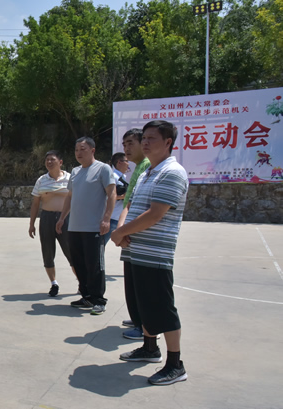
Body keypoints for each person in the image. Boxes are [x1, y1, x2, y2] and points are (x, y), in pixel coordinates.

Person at [111, 120, 189, 386]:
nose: (145, 142)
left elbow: (155, 214)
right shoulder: (147, 172)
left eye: (151, 138)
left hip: (155, 252)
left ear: (168, 142)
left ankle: (175, 364)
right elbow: (133, 206)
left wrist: (120, 232)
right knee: (144, 304)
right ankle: (149, 347)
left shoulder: (172, 172)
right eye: (143, 137)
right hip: (137, 250)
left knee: (162, 308)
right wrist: (123, 233)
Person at [56, 137, 115, 315]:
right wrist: (62, 218)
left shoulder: (103, 169)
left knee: (94, 265)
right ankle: (86, 296)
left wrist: (106, 218)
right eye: (76, 150)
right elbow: (70, 196)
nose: (79, 153)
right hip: (75, 227)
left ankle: (99, 300)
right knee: (79, 264)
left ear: (92, 150)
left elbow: (112, 193)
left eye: (83, 149)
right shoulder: (75, 171)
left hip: (94, 227)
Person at [118, 129, 152, 340]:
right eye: (124, 144)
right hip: (129, 230)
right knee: (131, 280)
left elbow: (137, 204)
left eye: (131, 143)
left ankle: (143, 325)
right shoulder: (139, 167)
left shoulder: (147, 166)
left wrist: (123, 229)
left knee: (139, 283)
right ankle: (138, 318)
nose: (126, 148)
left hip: (136, 233)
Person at [28, 151, 75, 297]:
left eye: (52, 159)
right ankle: (54, 283)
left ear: (60, 162)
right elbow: (35, 204)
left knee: (71, 252)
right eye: (47, 160)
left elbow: (76, 198)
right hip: (47, 218)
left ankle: (82, 282)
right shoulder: (41, 180)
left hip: (66, 218)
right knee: (47, 252)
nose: (49, 162)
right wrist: (31, 224)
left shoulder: (70, 178)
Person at [104, 152, 129, 244]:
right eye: (126, 161)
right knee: (100, 244)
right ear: (119, 162)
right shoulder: (113, 177)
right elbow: (107, 196)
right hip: (112, 216)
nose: (128, 164)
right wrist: (123, 196)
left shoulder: (122, 177)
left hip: (117, 216)